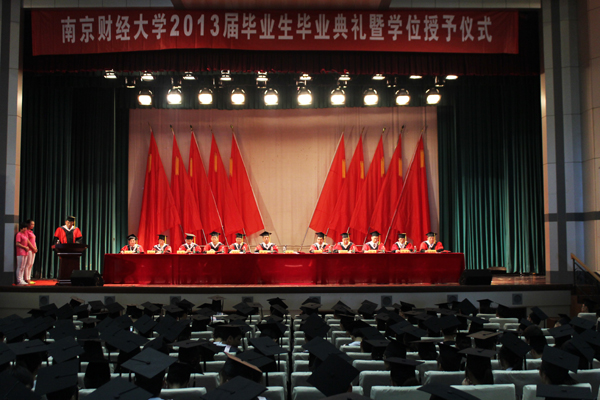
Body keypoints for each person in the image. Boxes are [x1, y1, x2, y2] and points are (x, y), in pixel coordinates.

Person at [24, 219, 37, 284]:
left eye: (33, 224)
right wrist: (32, 247)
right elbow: (27, 241)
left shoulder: (31, 232)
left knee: (31, 264)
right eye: (32, 224)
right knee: (28, 264)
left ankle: (29, 277)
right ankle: (26, 278)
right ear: (28, 224)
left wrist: (35, 247)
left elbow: (34, 241)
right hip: (29, 249)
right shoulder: (26, 231)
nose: (33, 225)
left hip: (33, 249)